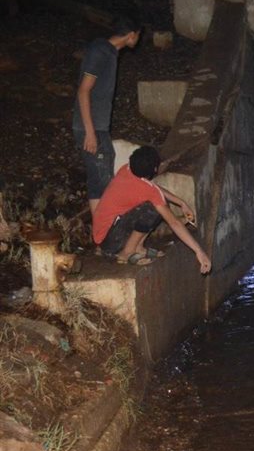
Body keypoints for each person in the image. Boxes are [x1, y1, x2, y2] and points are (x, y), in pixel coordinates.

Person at [92, 146, 211, 273]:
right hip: (111, 242)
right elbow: (174, 223)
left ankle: (138, 247)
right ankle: (127, 252)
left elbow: (153, 188)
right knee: (153, 209)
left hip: (105, 236)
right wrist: (199, 251)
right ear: (155, 169)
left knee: (156, 203)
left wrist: (181, 203)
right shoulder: (149, 191)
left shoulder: (126, 169)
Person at [73, 15, 141, 218]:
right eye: (138, 35)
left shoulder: (110, 52)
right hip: (91, 127)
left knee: (103, 175)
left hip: (99, 126)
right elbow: (83, 91)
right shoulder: (100, 51)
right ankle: (102, 230)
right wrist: (90, 133)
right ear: (131, 35)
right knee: (100, 179)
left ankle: (103, 228)